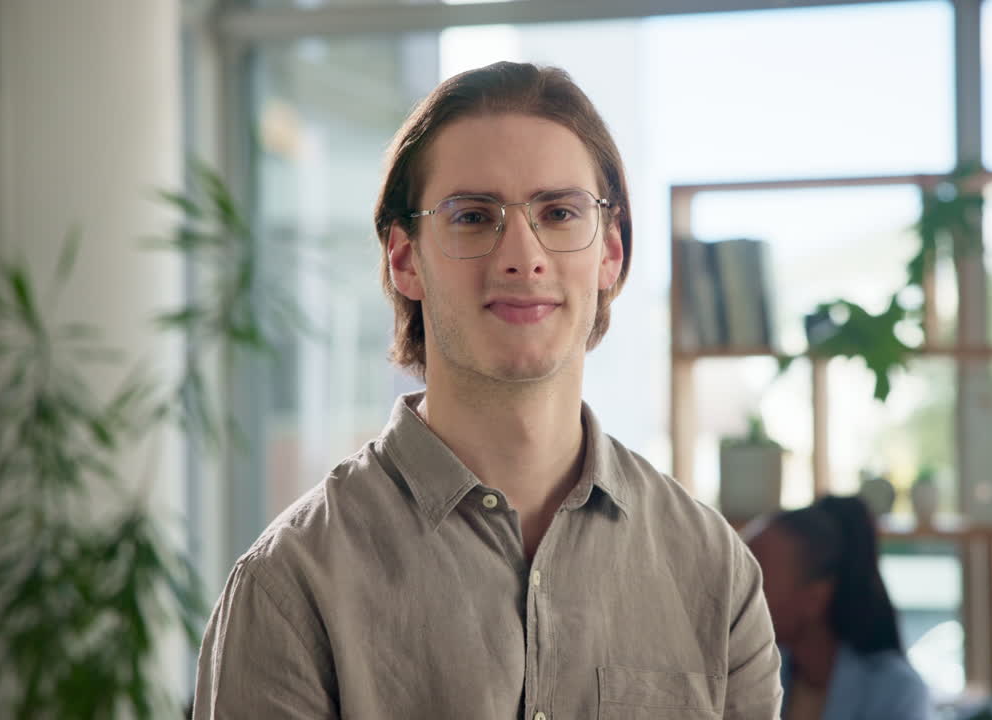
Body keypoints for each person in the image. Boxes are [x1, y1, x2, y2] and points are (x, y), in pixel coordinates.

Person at [192, 61, 783, 719]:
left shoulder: (714, 571)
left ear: (610, 253)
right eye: (474, 217)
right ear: (405, 259)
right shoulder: (289, 585)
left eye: (559, 213)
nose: (523, 257)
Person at [743, 496, 933, 720]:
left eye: (756, 579)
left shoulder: (897, 693)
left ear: (814, 597)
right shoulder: (751, 678)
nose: (737, 594)